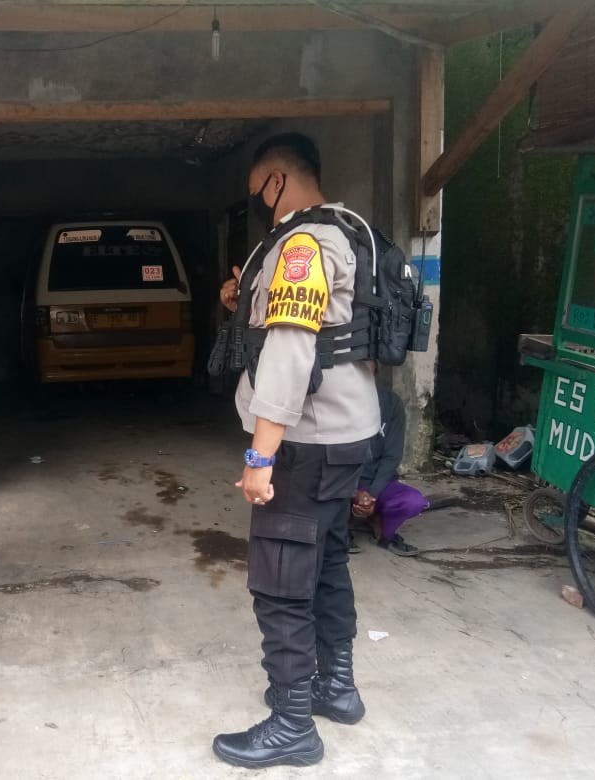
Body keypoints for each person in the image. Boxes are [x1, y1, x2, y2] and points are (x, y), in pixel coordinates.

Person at [212, 133, 380, 770]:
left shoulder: (302, 245)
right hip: (350, 432)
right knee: (328, 561)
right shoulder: (347, 231)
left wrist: (260, 458)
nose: (257, 203)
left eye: (257, 191)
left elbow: (289, 349)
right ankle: (335, 687)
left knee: (282, 580)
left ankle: (291, 725)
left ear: (277, 180)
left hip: (307, 440)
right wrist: (245, 299)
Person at [350, 382, 427, 556]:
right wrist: (353, 492)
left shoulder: (391, 402)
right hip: (342, 481)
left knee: (413, 501)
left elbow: (392, 457)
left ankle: (385, 534)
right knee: (324, 493)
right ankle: (342, 532)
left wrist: (372, 495)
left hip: (378, 482)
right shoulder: (338, 399)